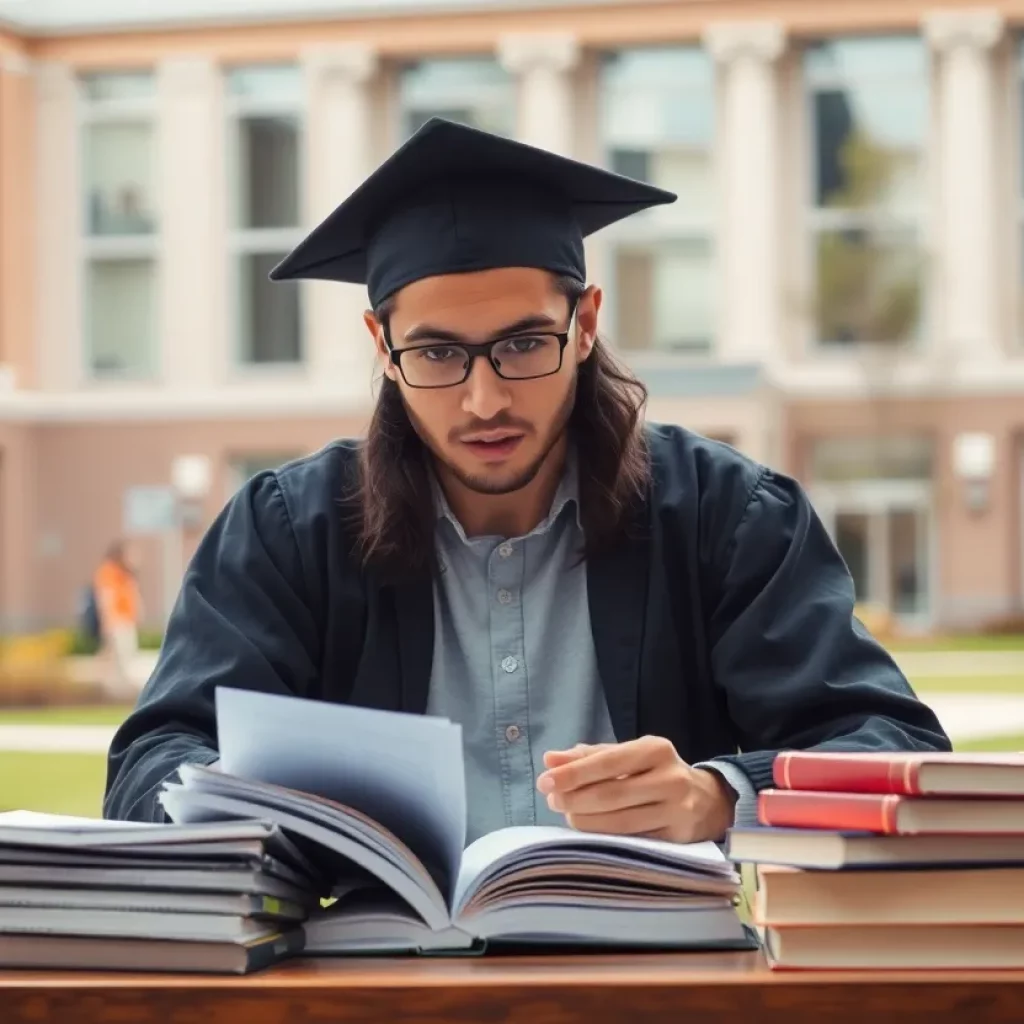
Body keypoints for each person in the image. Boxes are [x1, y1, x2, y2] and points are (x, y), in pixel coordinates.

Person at [103, 118, 949, 841]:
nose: (484, 399)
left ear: (584, 324)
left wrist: (720, 794)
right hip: (374, 980)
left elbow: (891, 744)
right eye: (436, 352)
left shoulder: (728, 516)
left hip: (666, 976)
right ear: (380, 346)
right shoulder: (289, 532)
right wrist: (242, 806)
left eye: (522, 343)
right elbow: (156, 760)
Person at [93, 539, 142, 698]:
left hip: (126, 620)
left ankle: (118, 692)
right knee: (120, 659)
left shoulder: (126, 575)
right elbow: (106, 598)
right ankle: (115, 694)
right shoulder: (108, 572)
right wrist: (108, 621)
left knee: (125, 657)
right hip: (117, 621)